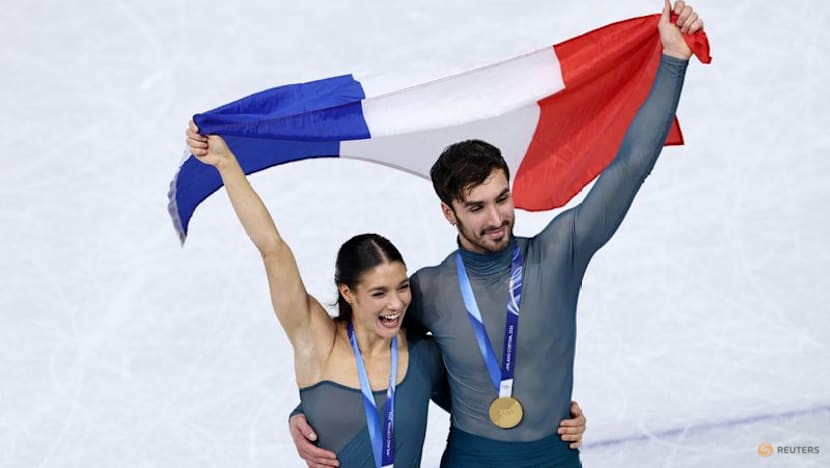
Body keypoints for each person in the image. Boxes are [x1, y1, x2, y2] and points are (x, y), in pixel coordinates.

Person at [289, 1, 705, 466]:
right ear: (448, 212)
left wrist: (672, 60)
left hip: (553, 455)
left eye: (502, 198)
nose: (496, 218)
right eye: (476, 207)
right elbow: (363, 350)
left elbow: (630, 166)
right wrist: (307, 412)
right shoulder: (427, 289)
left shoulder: (559, 253)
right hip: (471, 457)